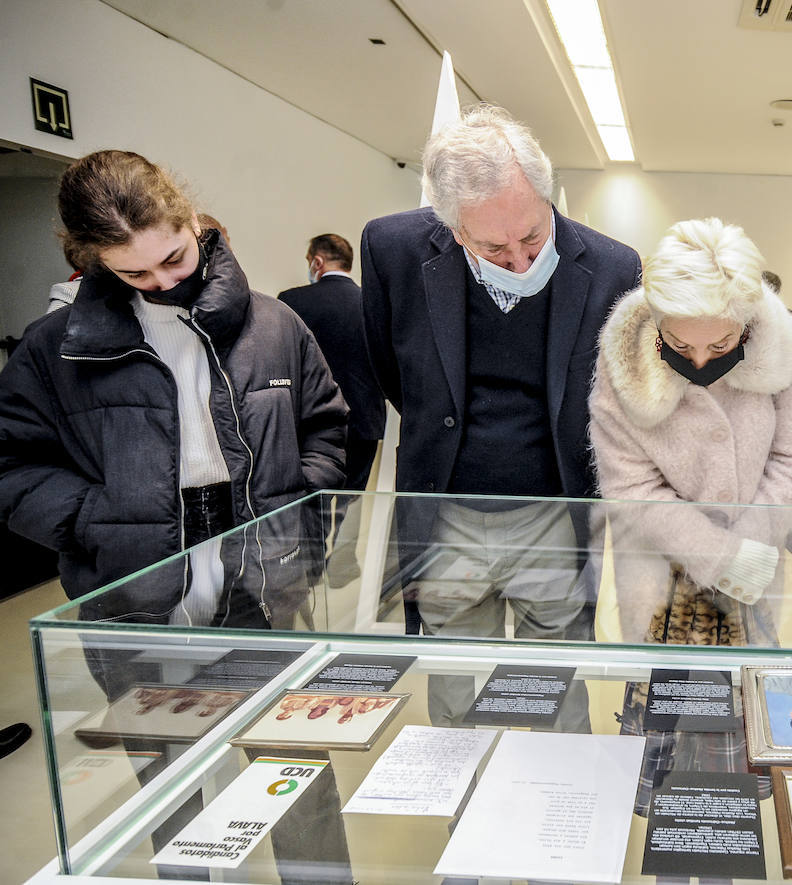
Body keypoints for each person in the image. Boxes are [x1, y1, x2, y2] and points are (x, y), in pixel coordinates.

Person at [0, 149, 351, 883]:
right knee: (169, 789)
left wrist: (300, 517)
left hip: (260, 592)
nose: (165, 281)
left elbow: (326, 425)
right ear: (91, 260)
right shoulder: (51, 349)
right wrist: (98, 521)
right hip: (133, 608)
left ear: (191, 219)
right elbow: (14, 465)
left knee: (297, 777)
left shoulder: (273, 323)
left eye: (174, 255)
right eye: (134, 272)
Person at [360, 104, 640, 726]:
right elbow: (393, 369)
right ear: (452, 227)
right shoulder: (393, 247)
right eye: (492, 246)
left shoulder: (614, 266)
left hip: (555, 510)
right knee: (457, 678)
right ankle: (467, 811)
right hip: (447, 508)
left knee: (556, 679)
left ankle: (557, 814)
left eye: (532, 238)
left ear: (549, 198)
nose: (518, 261)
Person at [589, 218, 792, 647]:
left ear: (746, 324)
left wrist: (746, 547)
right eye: (680, 345)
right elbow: (629, 483)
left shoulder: (781, 340)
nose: (699, 362)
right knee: (661, 700)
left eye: (720, 346)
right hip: (658, 565)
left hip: (755, 555)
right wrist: (718, 555)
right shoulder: (623, 354)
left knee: (749, 695)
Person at [279, 234, 386, 583]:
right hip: (366, 421)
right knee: (353, 499)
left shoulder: (292, 302)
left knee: (314, 497)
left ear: (317, 262)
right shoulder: (372, 304)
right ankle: (342, 568)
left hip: (311, 423)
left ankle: (309, 572)